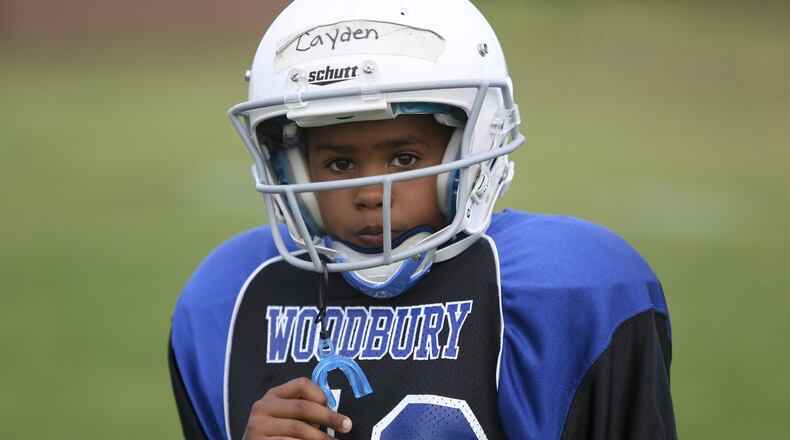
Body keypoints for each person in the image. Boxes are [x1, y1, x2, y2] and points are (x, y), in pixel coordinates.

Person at [168, 0, 677, 439]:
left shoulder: (567, 289)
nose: (370, 192)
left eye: (404, 159)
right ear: (288, 166)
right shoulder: (226, 298)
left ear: (474, 143)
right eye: (339, 164)